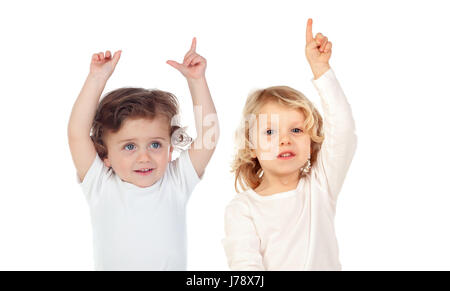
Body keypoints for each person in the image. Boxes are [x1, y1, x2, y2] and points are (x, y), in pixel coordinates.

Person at [67, 38, 219, 270]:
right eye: (129, 146)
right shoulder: (100, 184)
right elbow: (77, 133)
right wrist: (96, 79)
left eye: (155, 145)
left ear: (170, 148)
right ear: (104, 154)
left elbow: (209, 136)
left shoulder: (176, 181)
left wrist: (196, 81)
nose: (144, 157)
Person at [223, 18, 357, 270]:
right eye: (271, 132)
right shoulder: (242, 209)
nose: (285, 139)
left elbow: (344, 129)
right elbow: (245, 267)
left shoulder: (320, 186)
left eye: (296, 130)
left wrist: (321, 69)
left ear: (310, 141)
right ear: (252, 146)